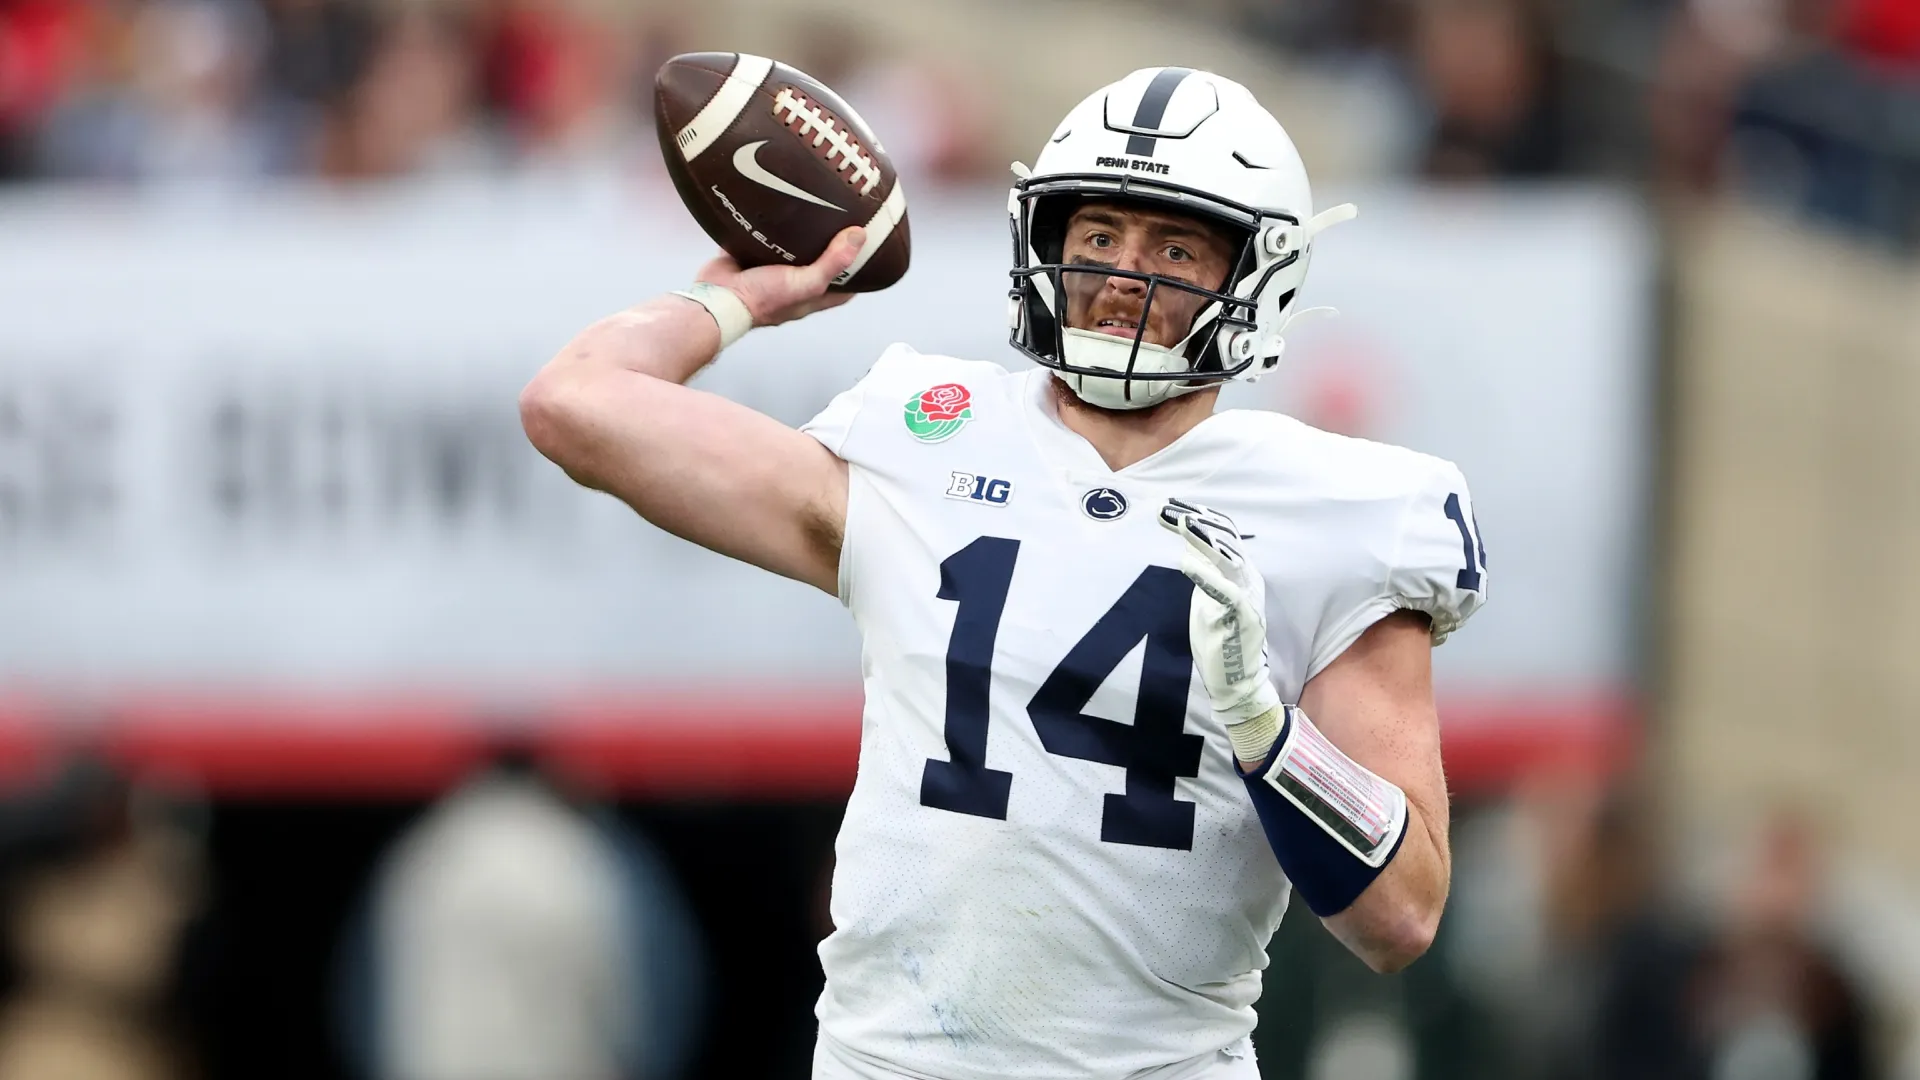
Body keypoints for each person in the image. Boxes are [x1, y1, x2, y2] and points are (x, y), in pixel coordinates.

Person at [521, 66, 1488, 1080]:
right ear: (1047, 245)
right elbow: (573, 405)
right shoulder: (926, 433)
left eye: (1173, 245)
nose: (1124, 274)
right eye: (1100, 237)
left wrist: (1269, 734)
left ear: (1257, 275)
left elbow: (1403, 915)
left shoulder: (1338, 512)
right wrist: (732, 302)